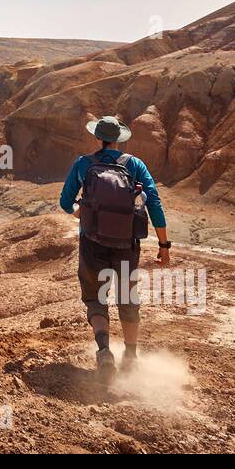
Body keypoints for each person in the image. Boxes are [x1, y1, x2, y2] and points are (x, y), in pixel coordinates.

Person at [58, 115, 170, 377]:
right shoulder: (136, 165)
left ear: (98, 138)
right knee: (128, 299)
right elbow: (154, 204)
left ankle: (104, 351)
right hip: (126, 245)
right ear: (119, 140)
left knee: (96, 298)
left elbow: (65, 202)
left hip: (92, 242)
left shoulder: (83, 164)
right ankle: (130, 357)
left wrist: (81, 213)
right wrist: (164, 245)